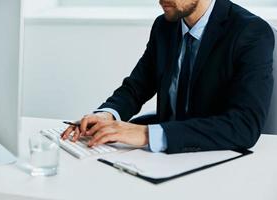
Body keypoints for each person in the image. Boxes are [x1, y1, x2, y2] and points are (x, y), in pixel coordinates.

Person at [61, 0, 275, 154]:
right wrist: (107, 115)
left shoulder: (251, 32)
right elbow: (136, 87)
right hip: (163, 157)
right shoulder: (165, 25)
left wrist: (147, 135)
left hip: (215, 156)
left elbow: (244, 126)